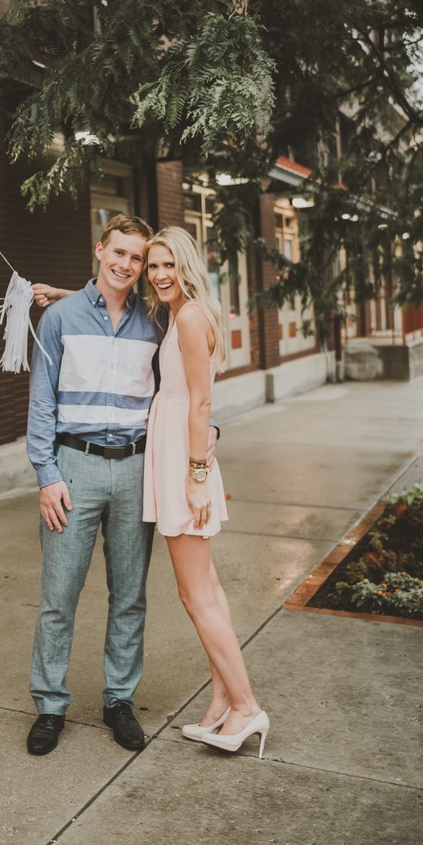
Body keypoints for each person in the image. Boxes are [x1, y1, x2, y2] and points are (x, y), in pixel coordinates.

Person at [24, 214, 161, 756]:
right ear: (100, 250)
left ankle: (119, 700)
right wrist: (46, 474)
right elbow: (41, 399)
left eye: (137, 258)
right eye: (119, 253)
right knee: (59, 596)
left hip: (135, 469)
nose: (126, 265)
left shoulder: (156, 322)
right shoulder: (60, 318)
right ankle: (50, 705)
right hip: (73, 468)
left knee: (130, 596)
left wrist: (210, 427)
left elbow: (180, 385)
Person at [137, 226, 271, 757]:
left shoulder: (190, 318)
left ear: (187, 265)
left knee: (195, 594)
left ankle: (246, 707)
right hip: (176, 451)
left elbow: (199, 404)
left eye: (168, 264)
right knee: (207, 589)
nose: (159, 274)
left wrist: (195, 478)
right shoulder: (179, 314)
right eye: (153, 266)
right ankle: (222, 701)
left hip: (182, 459)